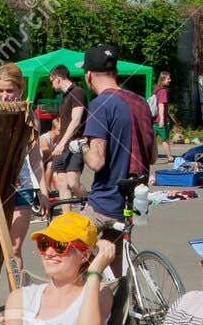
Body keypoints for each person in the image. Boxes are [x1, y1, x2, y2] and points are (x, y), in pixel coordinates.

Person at [81, 45, 155, 246]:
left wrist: (82, 146)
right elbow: (154, 155)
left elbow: (96, 162)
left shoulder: (100, 104)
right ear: (115, 72)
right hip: (134, 200)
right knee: (114, 255)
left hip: (105, 202)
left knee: (66, 249)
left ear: (89, 75)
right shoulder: (141, 102)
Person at [0, 63, 45, 258]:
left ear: (20, 90)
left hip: (22, 187)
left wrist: (43, 190)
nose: (5, 95)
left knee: (14, 249)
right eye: (1, 90)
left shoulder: (29, 116)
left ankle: (16, 289)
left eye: (10, 90)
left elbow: (36, 155)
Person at [43, 65, 88, 203]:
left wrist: (61, 144)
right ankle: (67, 218)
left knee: (72, 182)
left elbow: (76, 120)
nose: (51, 84)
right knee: (62, 184)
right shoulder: (64, 97)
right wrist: (58, 142)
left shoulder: (78, 92)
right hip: (62, 146)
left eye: (51, 80)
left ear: (58, 78)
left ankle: (88, 202)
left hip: (74, 145)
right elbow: (64, 123)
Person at [152, 70, 172, 161]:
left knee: (151, 141)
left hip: (153, 120)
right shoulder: (163, 91)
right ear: (163, 79)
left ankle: (149, 158)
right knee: (165, 140)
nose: (170, 80)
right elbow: (161, 105)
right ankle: (169, 157)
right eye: (168, 78)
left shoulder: (156, 89)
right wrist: (162, 120)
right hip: (160, 120)